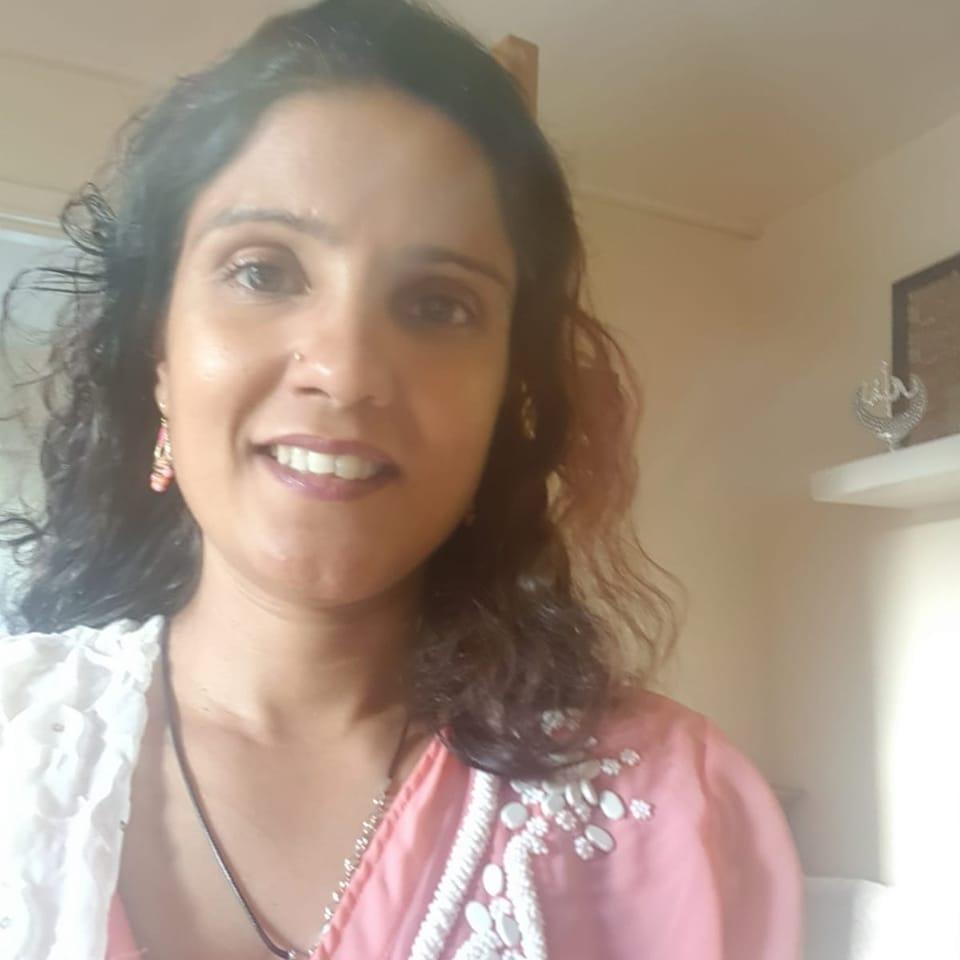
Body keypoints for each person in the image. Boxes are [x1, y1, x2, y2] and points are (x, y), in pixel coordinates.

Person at [0, 2, 803, 958]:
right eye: (263, 271)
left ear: (506, 397)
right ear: (159, 354)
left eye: (437, 304)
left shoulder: (679, 808)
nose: (345, 371)